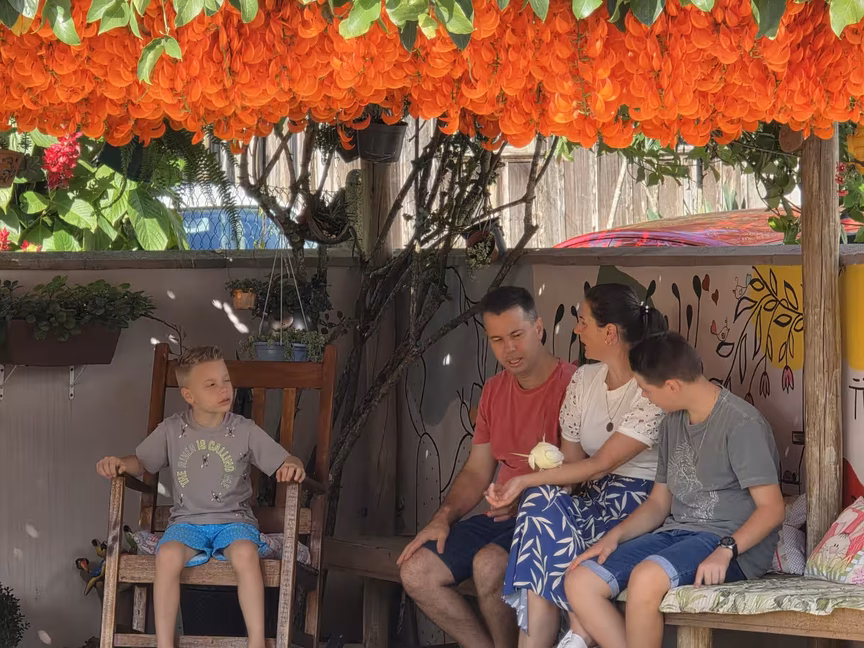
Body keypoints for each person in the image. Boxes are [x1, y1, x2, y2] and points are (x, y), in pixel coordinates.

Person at [565, 332, 785, 648]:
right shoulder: (671, 423)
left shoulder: (741, 423)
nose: (645, 397)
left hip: (727, 543)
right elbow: (658, 504)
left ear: (671, 386)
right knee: (581, 580)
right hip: (676, 534)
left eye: (646, 390)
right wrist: (613, 538)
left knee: (646, 578)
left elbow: (772, 509)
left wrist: (726, 550)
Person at [486, 283, 668, 648]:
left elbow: (600, 464)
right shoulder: (584, 380)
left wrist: (524, 482)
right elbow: (570, 467)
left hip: (636, 507)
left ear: (609, 332)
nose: (576, 329)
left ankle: (578, 631)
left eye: (583, 321)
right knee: (539, 508)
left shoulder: (651, 386)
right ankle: (579, 626)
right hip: (590, 501)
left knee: (537, 534)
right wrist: (524, 490)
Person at [397, 286, 577, 648]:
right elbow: (477, 470)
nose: (508, 349)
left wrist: (525, 495)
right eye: (497, 340)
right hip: (500, 517)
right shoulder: (494, 389)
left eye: (516, 335)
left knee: (489, 564)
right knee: (415, 571)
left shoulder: (574, 384)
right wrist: (443, 517)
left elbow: (581, 474)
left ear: (539, 328)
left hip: (550, 521)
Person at [96, 346, 306, 648]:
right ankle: (165, 644)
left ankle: (256, 641)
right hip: (187, 524)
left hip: (234, 522)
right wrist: (119, 463)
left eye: (226, 380)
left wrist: (293, 466)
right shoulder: (172, 429)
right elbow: (141, 462)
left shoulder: (244, 429)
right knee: (167, 555)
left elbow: (287, 459)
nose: (224, 389)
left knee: (246, 554)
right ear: (189, 395)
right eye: (211, 384)